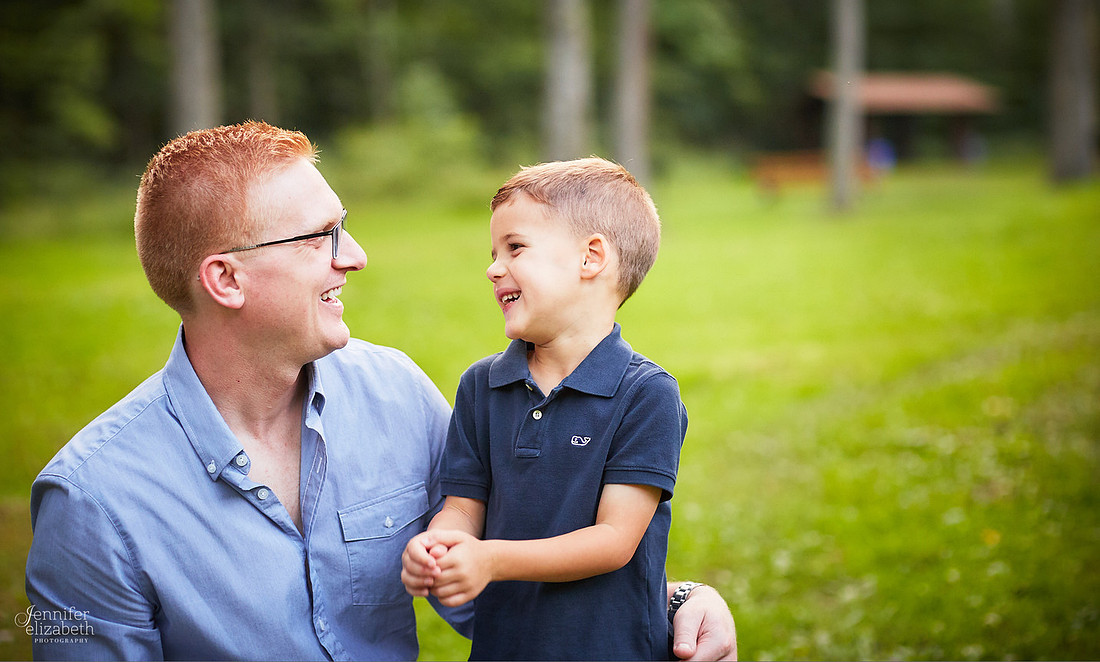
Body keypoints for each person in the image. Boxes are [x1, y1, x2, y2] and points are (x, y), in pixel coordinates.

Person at [24, 122, 736, 661]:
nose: (357, 255)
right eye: (322, 236)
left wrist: (679, 600)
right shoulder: (89, 504)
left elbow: (494, 572)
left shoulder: (397, 395)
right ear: (227, 280)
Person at [402, 158, 699, 660]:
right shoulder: (483, 386)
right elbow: (462, 506)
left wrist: (491, 559)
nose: (493, 267)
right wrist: (440, 546)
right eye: (494, 252)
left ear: (591, 258)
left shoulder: (646, 394)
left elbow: (614, 540)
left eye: (514, 247)